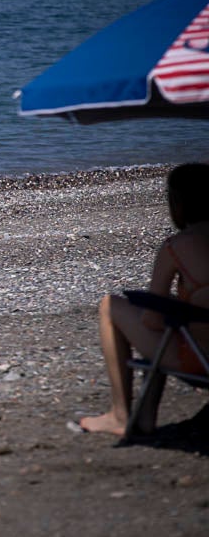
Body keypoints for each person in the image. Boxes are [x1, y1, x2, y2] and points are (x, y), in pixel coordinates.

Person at [79, 163, 209, 436]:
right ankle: (146, 415)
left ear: (178, 203)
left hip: (200, 360)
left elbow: (152, 320)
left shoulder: (176, 247)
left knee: (112, 307)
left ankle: (119, 415)